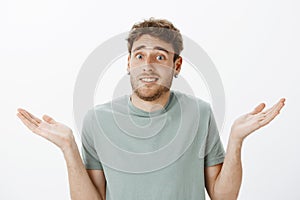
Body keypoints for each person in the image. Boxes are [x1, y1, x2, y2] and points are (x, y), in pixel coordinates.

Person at [17, 18, 285, 200]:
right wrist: (68, 148)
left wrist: (237, 139)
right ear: (129, 63)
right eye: (139, 55)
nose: (148, 65)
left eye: (160, 56)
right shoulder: (97, 120)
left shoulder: (200, 113)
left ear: (176, 66)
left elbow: (222, 195)